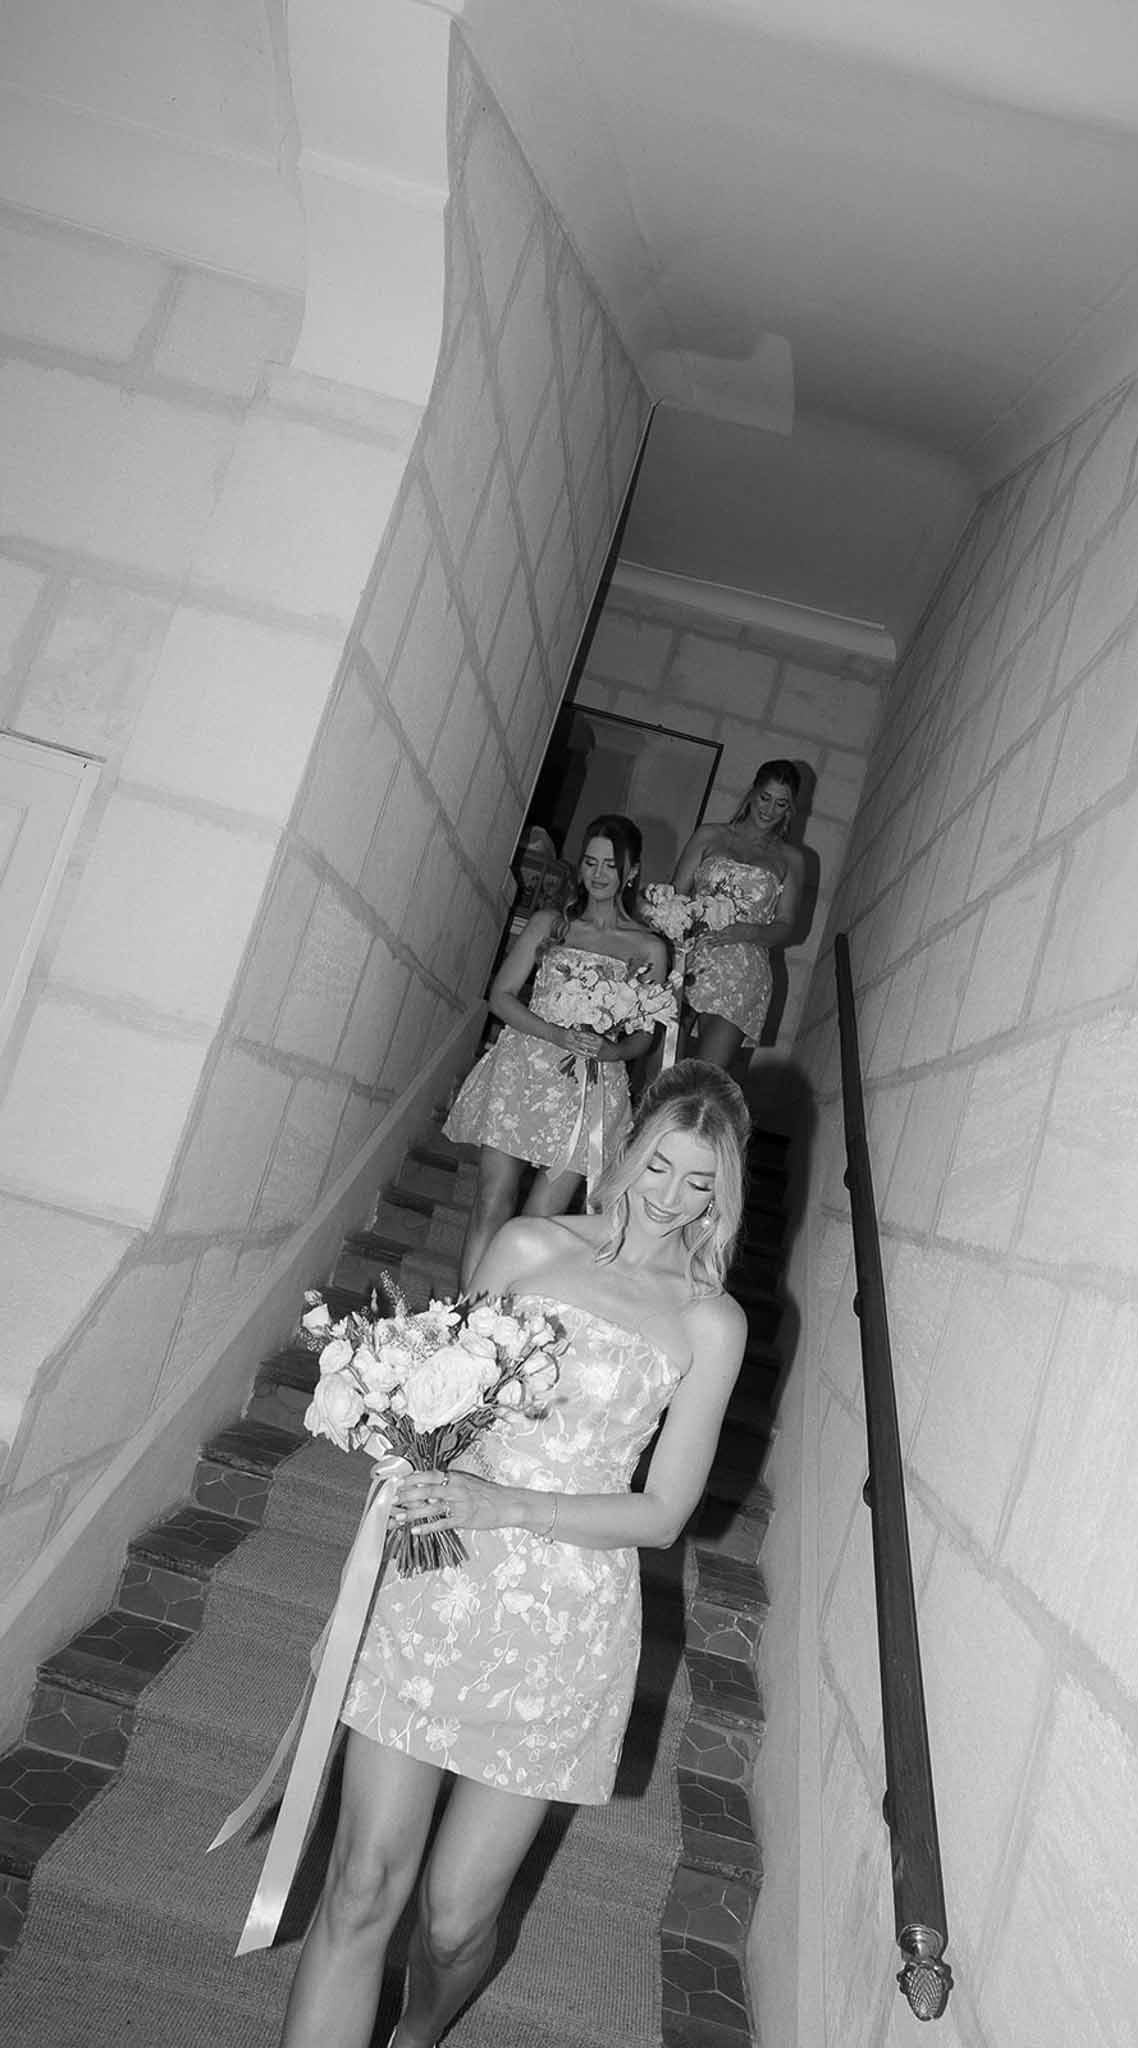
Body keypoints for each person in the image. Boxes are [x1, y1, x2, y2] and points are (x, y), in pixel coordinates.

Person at [277, 1060, 752, 2048]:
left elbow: (663, 1511)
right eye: (657, 1164)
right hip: (438, 1579)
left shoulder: (711, 1319)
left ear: (721, 1195)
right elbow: (441, 1400)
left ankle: (420, 2025)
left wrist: (509, 1501)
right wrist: (400, 1439)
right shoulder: (528, 1242)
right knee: (363, 1883)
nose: (666, 1197)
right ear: (628, 1151)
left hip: (564, 1623)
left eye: (696, 1182)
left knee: (455, 1919)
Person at [445, 815, 668, 1289]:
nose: (599, 873)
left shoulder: (649, 946)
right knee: (491, 1199)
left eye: (611, 864)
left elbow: (646, 1037)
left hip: (590, 1090)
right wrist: (555, 1034)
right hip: (523, 1068)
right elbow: (502, 995)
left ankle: (498, 1329)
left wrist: (611, 1050)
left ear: (632, 871)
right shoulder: (552, 924)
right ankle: (465, 1318)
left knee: (536, 1224)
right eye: (590, 861)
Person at [671, 759, 806, 1071]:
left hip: (743, 969)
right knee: (663, 1067)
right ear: (752, 792)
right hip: (690, 956)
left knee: (704, 1077)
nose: (769, 810)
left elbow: (787, 926)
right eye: (765, 798)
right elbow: (674, 897)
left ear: (790, 809)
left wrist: (747, 932)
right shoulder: (709, 835)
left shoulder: (791, 858)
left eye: (780, 803)